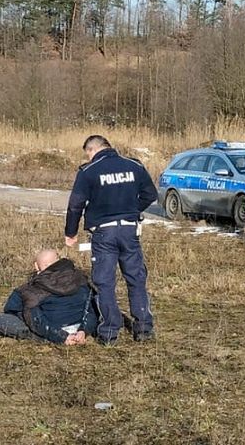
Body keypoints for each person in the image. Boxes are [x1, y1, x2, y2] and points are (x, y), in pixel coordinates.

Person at [64, 134, 158, 345]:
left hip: (103, 233)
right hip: (129, 231)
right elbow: (150, 195)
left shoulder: (88, 171)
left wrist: (71, 233)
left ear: (91, 150)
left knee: (104, 282)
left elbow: (75, 205)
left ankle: (109, 331)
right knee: (136, 278)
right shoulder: (134, 166)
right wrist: (132, 210)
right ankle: (143, 328)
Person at [0, 249, 96, 345]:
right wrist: (83, 331)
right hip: (79, 328)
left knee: (2, 319)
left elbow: (12, 309)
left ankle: (45, 339)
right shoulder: (81, 278)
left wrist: (61, 337)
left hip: (51, 330)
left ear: (36, 266)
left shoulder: (29, 289)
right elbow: (90, 309)